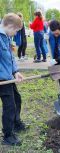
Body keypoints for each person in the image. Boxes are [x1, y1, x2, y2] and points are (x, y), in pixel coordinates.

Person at [0, 13, 26, 146]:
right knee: (9, 106)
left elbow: (10, 57)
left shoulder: (6, 37)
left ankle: (15, 123)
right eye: (15, 30)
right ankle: (8, 136)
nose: (15, 33)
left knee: (17, 99)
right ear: (10, 26)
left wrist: (16, 72)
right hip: (2, 80)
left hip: (8, 77)